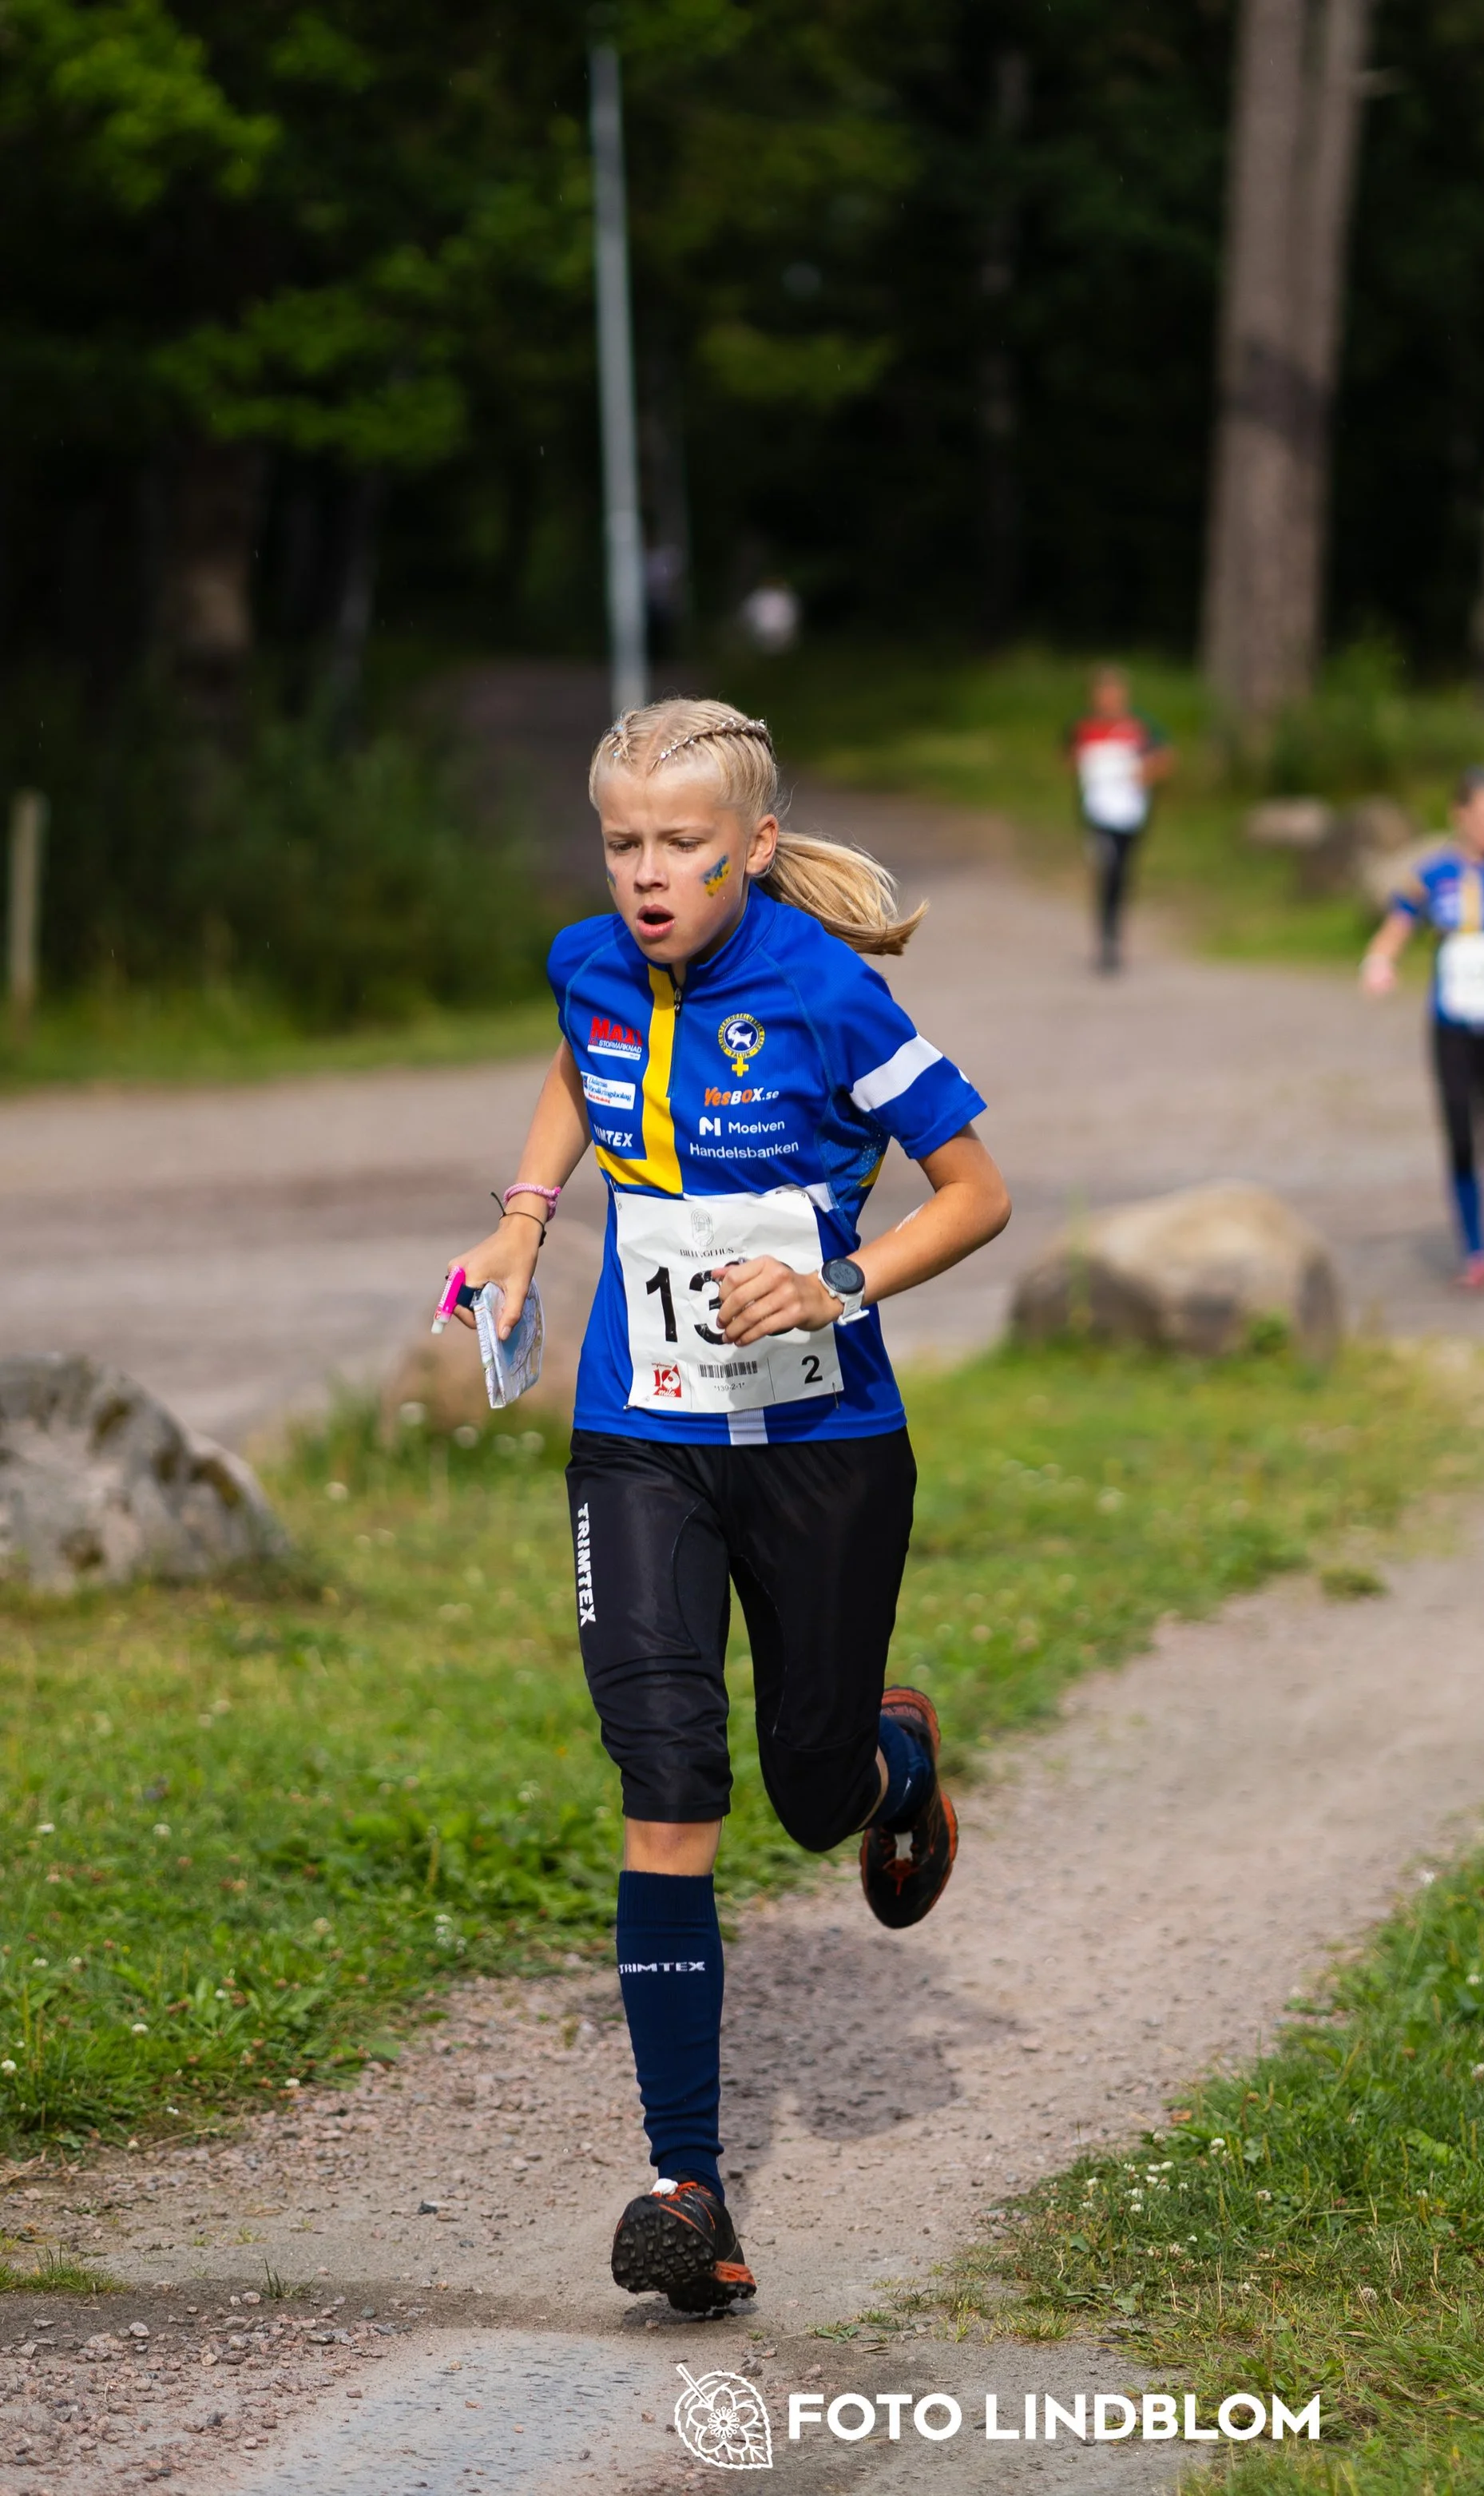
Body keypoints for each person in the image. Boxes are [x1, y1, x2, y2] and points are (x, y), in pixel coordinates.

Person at [443, 697, 1010, 2317]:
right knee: (666, 1765)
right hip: (642, 1433)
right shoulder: (588, 961)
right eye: (621, 841)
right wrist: (523, 1216)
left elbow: (976, 1190)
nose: (644, 874)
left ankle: (893, 1754)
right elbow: (581, 1065)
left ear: (750, 846)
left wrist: (834, 1282)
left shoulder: (832, 995)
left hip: (825, 1438)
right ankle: (685, 2183)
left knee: (814, 1792)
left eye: (680, 844)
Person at [1359, 765, 1484, 1291]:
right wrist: (1380, 962)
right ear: (1461, 816)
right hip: (1452, 1023)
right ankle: (1476, 1251)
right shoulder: (1433, 873)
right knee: (1458, 1137)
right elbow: (1397, 926)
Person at [1065, 666, 1173, 972]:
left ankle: (1114, 933)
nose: (1108, 699)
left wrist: (1143, 773)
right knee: (1107, 869)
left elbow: (1164, 758)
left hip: (1130, 814)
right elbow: (1067, 757)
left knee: (1122, 873)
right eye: (1103, 693)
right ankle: (1106, 939)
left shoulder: (1140, 727)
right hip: (1096, 814)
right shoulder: (1083, 726)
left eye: (1114, 692)